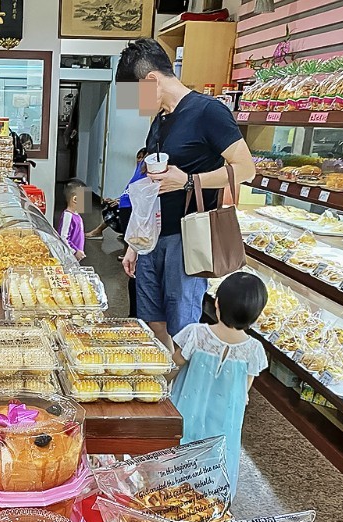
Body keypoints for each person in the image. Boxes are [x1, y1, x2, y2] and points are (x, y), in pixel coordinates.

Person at [116, 38, 256, 351]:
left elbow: (245, 169)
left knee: (183, 322)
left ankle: (181, 392)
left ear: (151, 80)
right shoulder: (160, 121)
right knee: (151, 318)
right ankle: (164, 379)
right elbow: (151, 184)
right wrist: (133, 243)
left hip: (187, 238)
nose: (134, 106)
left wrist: (189, 181)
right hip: (151, 235)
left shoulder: (209, 111)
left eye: (134, 96)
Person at [170, 272, 269, 495]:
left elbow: (175, 364)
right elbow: (245, 387)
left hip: (186, 410)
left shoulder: (196, 333)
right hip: (224, 420)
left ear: (217, 303)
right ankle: (210, 500)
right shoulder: (253, 349)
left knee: (179, 452)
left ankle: (171, 492)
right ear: (256, 316)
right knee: (218, 455)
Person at [85, 147, 148, 240]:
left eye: (142, 158)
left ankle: (99, 231)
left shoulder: (145, 176)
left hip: (134, 207)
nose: (139, 161)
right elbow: (129, 191)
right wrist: (118, 199)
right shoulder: (137, 173)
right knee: (111, 204)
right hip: (128, 203)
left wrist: (120, 201)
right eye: (138, 158)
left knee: (114, 209)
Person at [59, 179, 87, 261]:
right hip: (68, 257)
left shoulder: (77, 215)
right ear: (75, 199)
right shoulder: (68, 216)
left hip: (74, 257)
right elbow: (63, 238)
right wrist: (74, 251)